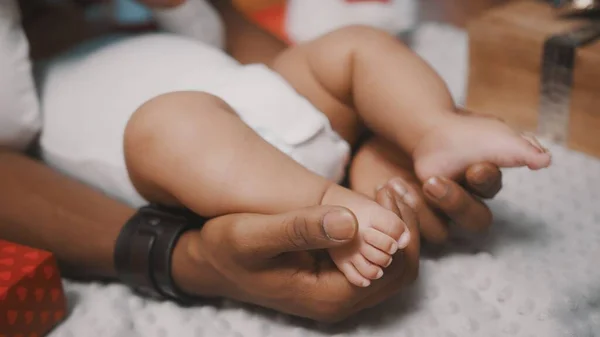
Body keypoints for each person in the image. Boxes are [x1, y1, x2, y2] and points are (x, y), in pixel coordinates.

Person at [0, 0, 504, 322]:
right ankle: (330, 201)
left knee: (353, 47)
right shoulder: (29, 92)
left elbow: (215, 29)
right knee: (169, 125)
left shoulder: (124, 21)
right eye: (39, 15)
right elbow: (10, 124)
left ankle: (434, 126)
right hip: (203, 161)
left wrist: (377, 131)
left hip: (272, 100)